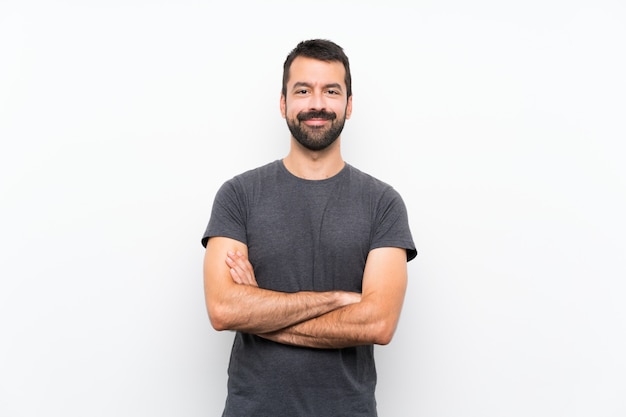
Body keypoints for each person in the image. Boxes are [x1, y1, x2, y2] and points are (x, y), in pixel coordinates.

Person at [201, 39, 417, 416]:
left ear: (348, 105)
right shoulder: (238, 195)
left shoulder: (383, 203)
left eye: (331, 91)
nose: (316, 103)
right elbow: (223, 309)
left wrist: (261, 313)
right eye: (303, 90)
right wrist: (337, 300)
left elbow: (378, 323)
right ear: (283, 103)